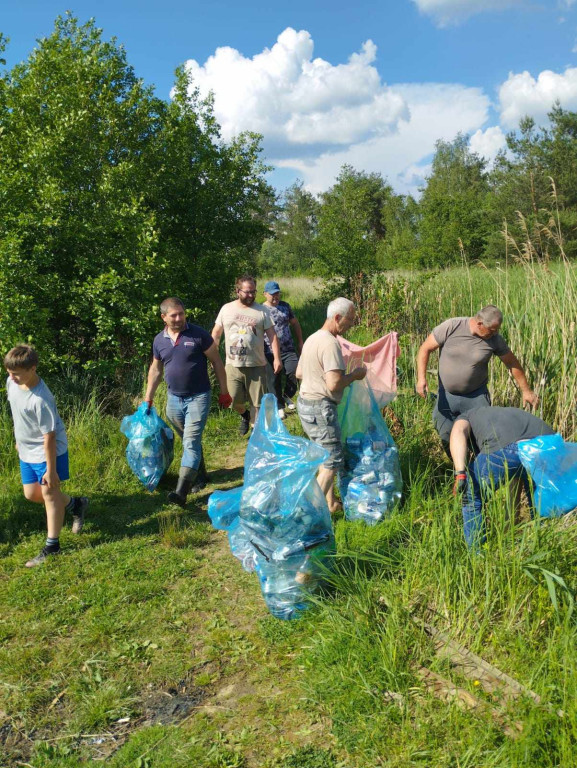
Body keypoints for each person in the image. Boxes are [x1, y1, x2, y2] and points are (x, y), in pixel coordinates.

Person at [4, 345, 88, 567]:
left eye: (16, 373)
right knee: (32, 494)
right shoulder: (13, 383)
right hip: (26, 450)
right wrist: (19, 441)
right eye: (8, 372)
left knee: (50, 496)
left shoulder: (41, 399)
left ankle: (53, 546)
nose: (10, 377)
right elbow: (18, 415)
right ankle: (75, 504)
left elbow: (49, 437)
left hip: (47, 452)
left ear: (32, 369)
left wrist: (51, 471)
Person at [144, 297, 232, 507]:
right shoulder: (159, 340)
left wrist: (224, 392)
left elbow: (217, 363)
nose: (179, 318)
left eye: (181, 314)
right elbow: (156, 370)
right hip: (174, 399)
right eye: (173, 315)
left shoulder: (199, 335)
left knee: (191, 442)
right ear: (164, 317)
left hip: (199, 397)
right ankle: (200, 474)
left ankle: (181, 492)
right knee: (187, 439)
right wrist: (148, 397)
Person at [416, 305, 538, 447]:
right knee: (445, 435)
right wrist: (421, 378)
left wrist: (526, 391)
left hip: (476, 397)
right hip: (447, 394)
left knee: (480, 438)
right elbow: (425, 348)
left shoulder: (495, 340)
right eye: (492, 330)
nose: (496, 333)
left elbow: (512, 363)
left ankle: (478, 467)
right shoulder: (452, 326)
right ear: (480, 324)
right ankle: (460, 467)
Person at [296, 297, 367, 513]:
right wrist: (354, 375)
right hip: (321, 408)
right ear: (337, 318)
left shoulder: (312, 338)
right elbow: (335, 384)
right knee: (332, 461)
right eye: (350, 319)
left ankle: (331, 503)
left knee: (323, 456)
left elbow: (299, 372)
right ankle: (308, 514)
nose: (351, 324)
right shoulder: (330, 343)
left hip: (305, 404)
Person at [450, 406, 555, 547]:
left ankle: (476, 555)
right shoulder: (500, 413)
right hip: (549, 446)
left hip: (507, 448)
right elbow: (518, 465)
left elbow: (458, 432)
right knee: (539, 500)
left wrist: (460, 473)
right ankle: (545, 545)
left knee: (470, 494)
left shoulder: (465, 417)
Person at [211, 275, 282, 435]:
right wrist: (212, 355)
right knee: (234, 400)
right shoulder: (226, 309)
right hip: (232, 365)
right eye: (247, 292)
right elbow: (216, 334)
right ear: (237, 291)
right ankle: (245, 414)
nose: (251, 295)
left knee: (257, 404)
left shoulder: (262, 310)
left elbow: (272, 336)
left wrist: (277, 358)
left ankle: (255, 436)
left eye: (253, 292)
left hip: (257, 365)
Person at [262, 280, 304, 419]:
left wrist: (300, 342)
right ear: (265, 294)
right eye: (272, 294)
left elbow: (295, 323)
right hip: (269, 351)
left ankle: (287, 395)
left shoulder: (285, 306)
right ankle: (279, 407)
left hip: (288, 348)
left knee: (295, 372)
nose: (276, 297)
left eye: (278, 294)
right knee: (274, 380)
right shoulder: (260, 310)